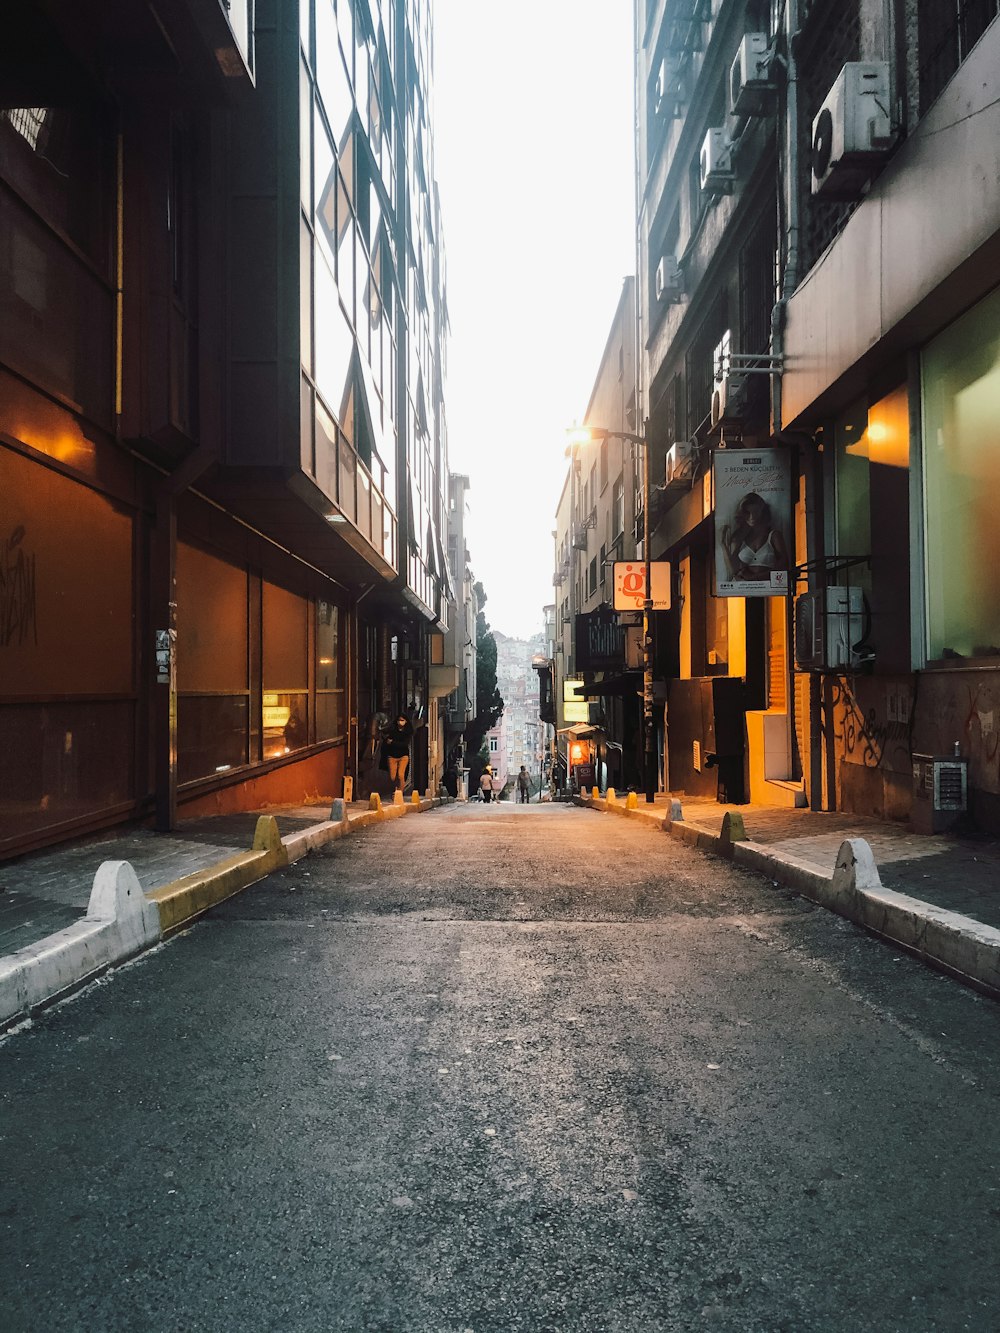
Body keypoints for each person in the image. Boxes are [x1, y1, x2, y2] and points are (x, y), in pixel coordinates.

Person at [721, 491, 789, 582]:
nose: (752, 517)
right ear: (742, 514)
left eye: (755, 512)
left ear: (763, 512)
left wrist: (754, 577)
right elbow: (733, 570)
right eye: (747, 513)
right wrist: (723, 545)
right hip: (743, 588)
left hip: (769, 588)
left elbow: (784, 565)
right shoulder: (740, 538)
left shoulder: (774, 536)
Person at [381, 712, 414, 793]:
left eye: (402, 720)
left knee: (400, 775)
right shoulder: (392, 729)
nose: (400, 722)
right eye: (399, 720)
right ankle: (395, 789)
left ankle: (400, 792)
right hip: (392, 756)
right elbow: (384, 734)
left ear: (406, 721)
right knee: (392, 777)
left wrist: (392, 742)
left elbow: (404, 744)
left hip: (403, 756)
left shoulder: (408, 732)